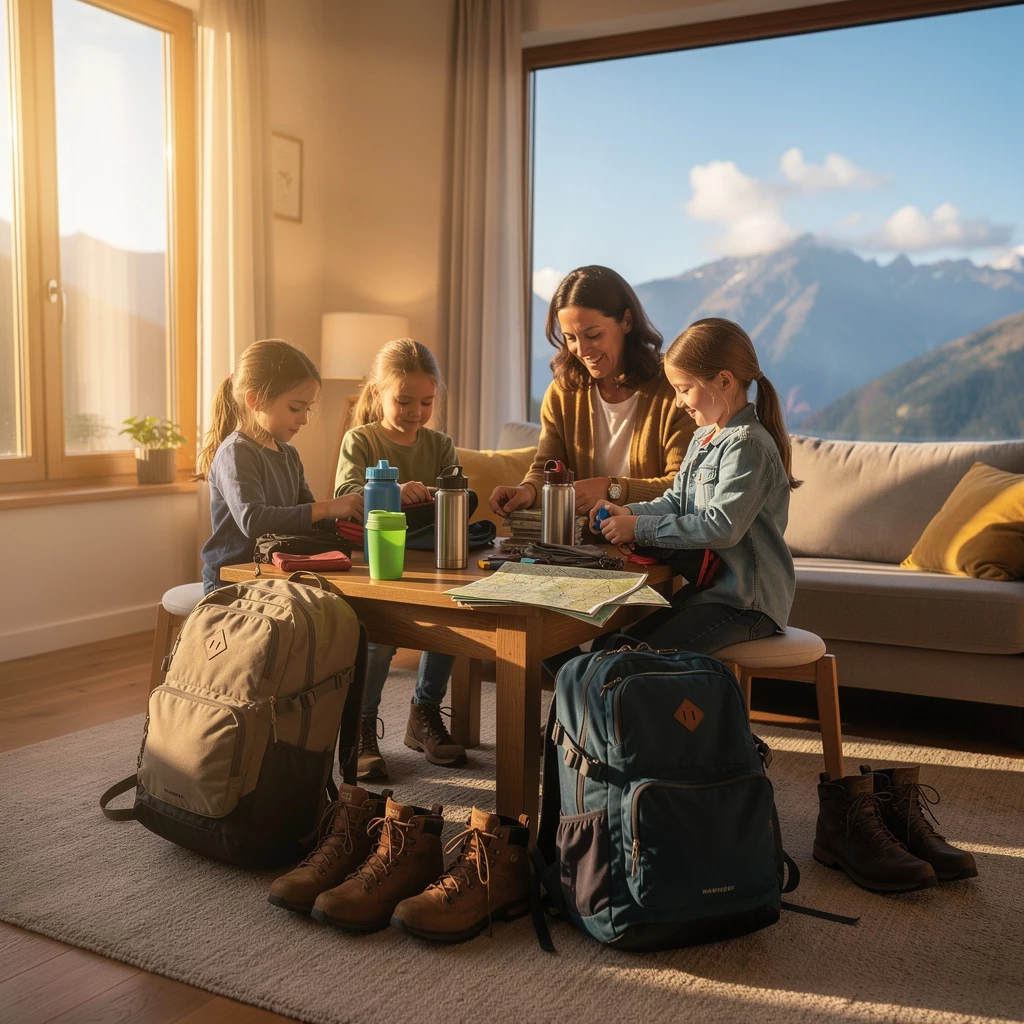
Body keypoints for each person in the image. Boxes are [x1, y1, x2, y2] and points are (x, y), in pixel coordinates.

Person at [591, 317, 796, 653]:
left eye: (684, 389)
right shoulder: (703, 437)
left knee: (633, 656)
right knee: (609, 645)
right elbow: (675, 501)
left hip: (746, 604)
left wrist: (639, 528)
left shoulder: (748, 445)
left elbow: (721, 527)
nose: (677, 401)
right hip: (709, 594)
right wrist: (627, 511)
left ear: (725, 381)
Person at [334, 338, 467, 780]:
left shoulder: (440, 444)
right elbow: (344, 498)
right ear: (377, 393)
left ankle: (423, 713)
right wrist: (394, 491)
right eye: (404, 400)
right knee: (380, 638)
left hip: (431, 558)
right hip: (377, 563)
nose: (416, 411)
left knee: (449, 626)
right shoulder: (361, 439)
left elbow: (457, 499)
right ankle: (363, 727)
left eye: (426, 402)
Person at [489, 265, 694, 520]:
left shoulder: (676, 389)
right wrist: (528, 490)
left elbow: (684, 487)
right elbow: (547, 469)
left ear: (627, 321)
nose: (582, 349)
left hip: (653, 546)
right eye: (570, 338)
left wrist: (612, 489)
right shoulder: (562, 394)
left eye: (593, 335)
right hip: (584, 550)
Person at [198, 339, 363, 595]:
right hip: (233, 582)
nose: (305, 419)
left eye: (308, 409)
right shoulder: (236, 452)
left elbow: (308, 519)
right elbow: (253, 521)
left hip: (276, 574)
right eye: (295, 408)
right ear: (255, 400)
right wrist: (328, 506)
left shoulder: (289, 454)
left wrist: (350, 518)